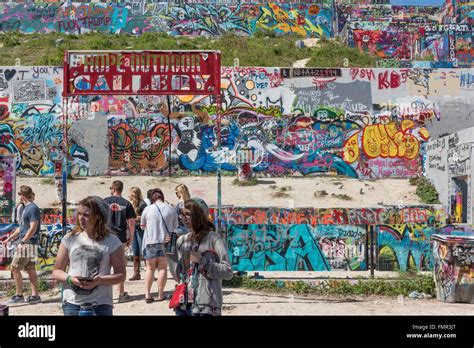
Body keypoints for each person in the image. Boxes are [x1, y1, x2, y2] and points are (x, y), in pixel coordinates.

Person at [52, 196, 126, 316]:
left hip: (101, 305)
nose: (81, 218)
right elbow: (56, 271)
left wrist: (99, 280)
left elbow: (121, 275)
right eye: (79, 214)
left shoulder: (112, 241)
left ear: (98, 217)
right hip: (72, 304)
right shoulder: (69, 239)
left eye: (86, 215)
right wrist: (70, 279)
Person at [167, 198, 233, 316]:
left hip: (205, 306)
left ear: (199, 215)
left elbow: (228, 272)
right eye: (182, 215)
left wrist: (203, 261)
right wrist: (169, 252)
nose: (184, 218)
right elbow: (178, 276)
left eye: (188, 215)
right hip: (183, 304)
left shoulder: (213, 239)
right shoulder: (182, 240)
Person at [2, 186, 42, 304]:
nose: (19, 196)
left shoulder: (32, 208)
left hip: (28, 243)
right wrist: (10, 237)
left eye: (20, 194)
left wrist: (23, 241)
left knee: (14, 267)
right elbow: (23, 227)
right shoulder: (26, 208)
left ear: (22, 195)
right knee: (30, 269)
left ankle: (19, 295)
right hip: (29, 243)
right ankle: (35, 296)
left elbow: (33, 227)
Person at [140, 188, 178, 303]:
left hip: (150, 241)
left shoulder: (147, 209)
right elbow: (175, 226)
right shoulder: (171, 209)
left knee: (150, 268)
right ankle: (160, 294)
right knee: (162, 268)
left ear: (152, 198)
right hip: (166, 242)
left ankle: (148, 294)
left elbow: (142, 226)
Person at [104, 180, 136, 303]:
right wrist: (131, 238)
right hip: (120, 238)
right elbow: (132, 223)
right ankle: (121, 293)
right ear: (121, 189)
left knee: (105, 264)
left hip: (105, 236)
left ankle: (106, 293)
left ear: (113, 188)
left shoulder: (104, 201)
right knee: (119, 266)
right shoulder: (127, 203)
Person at [128, 187, 147, 281]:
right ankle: (136, 273)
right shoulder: (131, 204)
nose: (129, 195)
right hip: (134, 229)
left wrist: (138, 218)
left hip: (141, 229)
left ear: (134, 194)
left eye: (130, 193)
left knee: (143, 250)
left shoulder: (142, 204)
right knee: (135, 251)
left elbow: (147, 216)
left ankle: (149, 272)